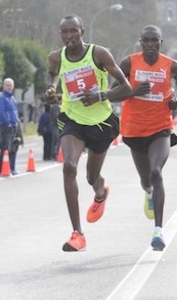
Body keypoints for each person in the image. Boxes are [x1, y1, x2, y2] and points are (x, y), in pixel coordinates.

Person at [45, 15, 132, 252]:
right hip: (72, 119)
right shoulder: (56, 57)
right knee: (68, 167)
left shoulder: (99, 54)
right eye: (64, 31)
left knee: (92, 177)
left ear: (82, 31)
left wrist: (101, 95)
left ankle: (101, 193)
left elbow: (126, 88)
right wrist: (51, 90)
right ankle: (77, 234)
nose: (69, 36)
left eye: (73, 31)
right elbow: (52, 75)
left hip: (101, 122)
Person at [118, 25, 177, 251]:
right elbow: (114, 89)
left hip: (161, 128)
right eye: (146, 41)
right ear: (140, 42)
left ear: (160, 42)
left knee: (156, 172)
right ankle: (148, 192)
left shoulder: (171, 65)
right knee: (146, 179)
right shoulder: (129, 63)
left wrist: (176, 97)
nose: (150, 45)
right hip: (134, 130)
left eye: (154, 41)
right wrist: (132, 91)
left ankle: (158, 230)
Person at [0, 78, 19, 175]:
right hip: (6, 126)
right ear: (3, 86)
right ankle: (2, 169)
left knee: (12, 147)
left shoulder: (12, 98)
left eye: (10, 85)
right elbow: (1, 112)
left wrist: (16, 122)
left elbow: (14, 112)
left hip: (14, 125)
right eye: (7, 85)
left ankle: (11, 168)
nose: (9, 87)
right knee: (5, 148)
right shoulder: (2, 98)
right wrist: (7, 122)